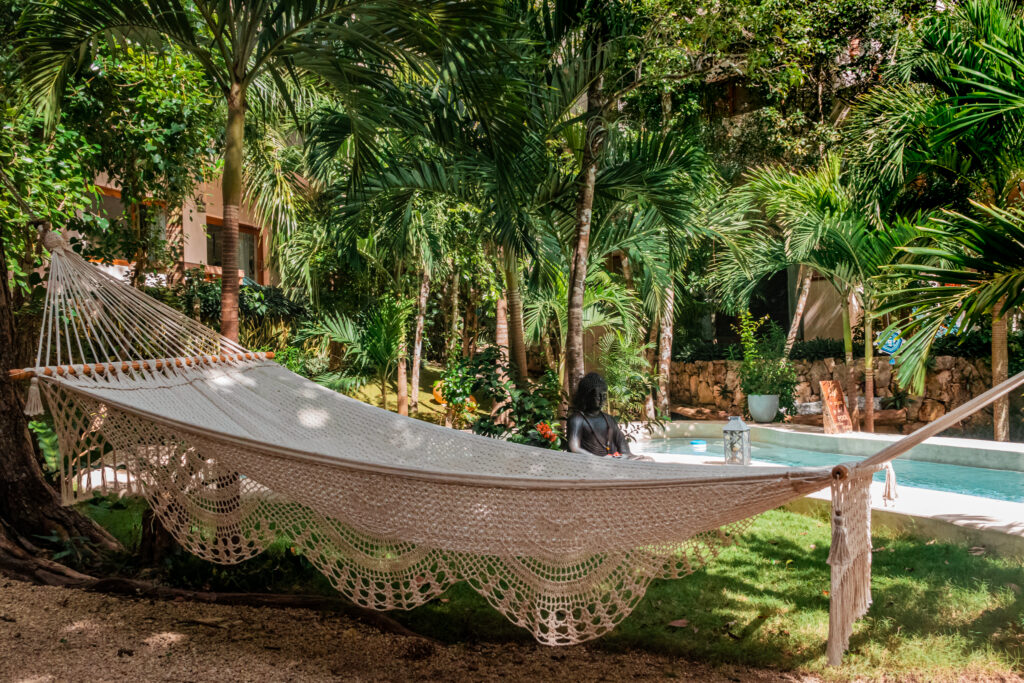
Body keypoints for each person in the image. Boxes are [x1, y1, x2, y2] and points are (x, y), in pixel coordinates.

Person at [566, 373, 652, 461]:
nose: (602, 399)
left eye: (604, 396)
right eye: (597, 396)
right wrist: (600, 459)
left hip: (613, 461)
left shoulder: (609, 419)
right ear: (586, 397)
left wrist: (629, 456)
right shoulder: (577, 419)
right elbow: (574, 449)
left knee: (648, 460)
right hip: (591, 463)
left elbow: (625, 450)